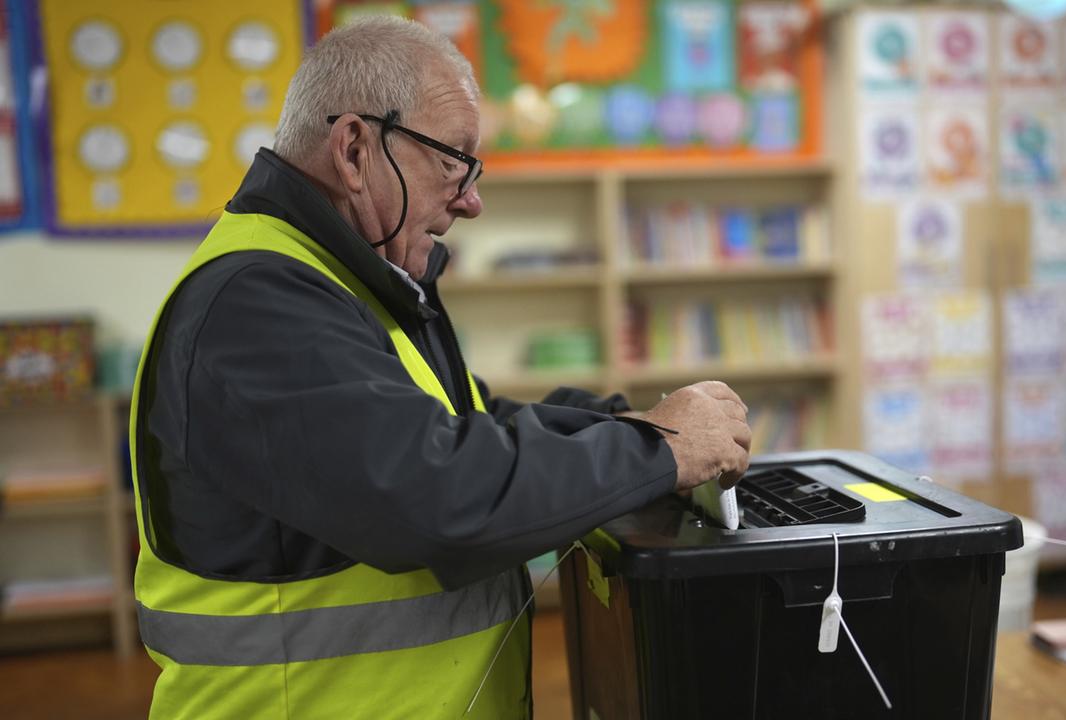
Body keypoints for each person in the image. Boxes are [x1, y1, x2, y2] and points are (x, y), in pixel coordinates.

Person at [129, 16, 751, 720]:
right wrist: (658, 449)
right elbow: (444, 499)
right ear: (356, 149)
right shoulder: (259, 304)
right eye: (452, 159)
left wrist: (618, 425)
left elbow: (465, 429)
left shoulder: (352, 282)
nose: (471, 199)